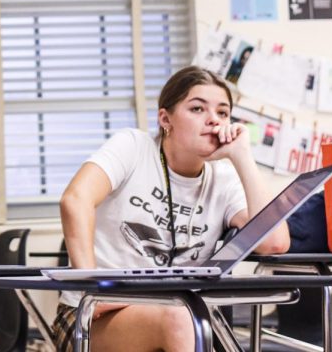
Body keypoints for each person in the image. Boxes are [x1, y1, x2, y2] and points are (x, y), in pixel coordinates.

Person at [52, 66, 289, 351]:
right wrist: (91, 291)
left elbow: (275, 243)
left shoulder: (223, 179)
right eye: (198, 109)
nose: (213, 120)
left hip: (178, 313)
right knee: (182, 320)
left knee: (186, 319)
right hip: (92, 319)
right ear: (166, 119)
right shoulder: (134, 147)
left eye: (223, 113)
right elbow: (75, 200)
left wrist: (243, 157)